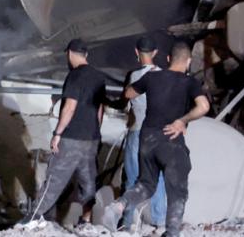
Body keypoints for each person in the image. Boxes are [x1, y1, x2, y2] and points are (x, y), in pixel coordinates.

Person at [102, 41, 210, 237]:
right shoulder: (189, 82)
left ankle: (119, 205)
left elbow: (128, 93)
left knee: (146, 184)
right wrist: (182, 121)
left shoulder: (151, 77)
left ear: (168, 59)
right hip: (170, 140)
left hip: (147, 138)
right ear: (188, 62)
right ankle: (171, 233)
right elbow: (203, 107)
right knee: (177, 190)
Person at [25, 39, 106, 226]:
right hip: (91, 139)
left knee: (54, 181)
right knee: (89, 183)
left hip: (71, 139)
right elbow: (100, 109)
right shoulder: (99, 77)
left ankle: (34, 218)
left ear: (69, 53)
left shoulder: (75, 76)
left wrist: (58, 133)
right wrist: (95, 131)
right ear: (86, 54)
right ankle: (86, 221)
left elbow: (70, 107)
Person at [122, 36, 166, 230]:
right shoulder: (165, 76)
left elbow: (127, 104)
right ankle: (159, 220)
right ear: (155, 52)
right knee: (158, 177)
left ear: (136, 52)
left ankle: (128, 220)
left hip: (137, 131)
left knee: (132, 177)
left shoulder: (133, 76)